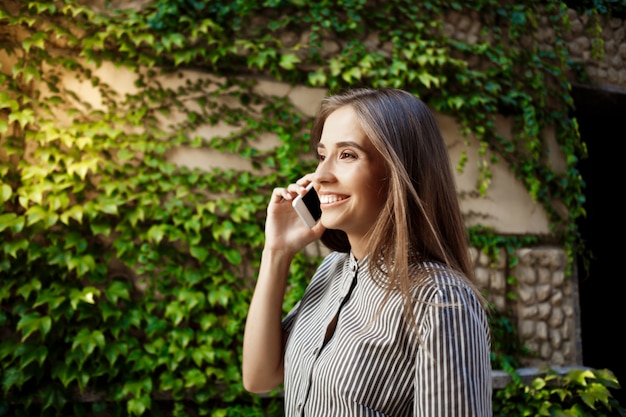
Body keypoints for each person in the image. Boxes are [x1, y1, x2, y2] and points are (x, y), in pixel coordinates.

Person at [242, 87, 492, 416]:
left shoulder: (441, 300)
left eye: (347, 155)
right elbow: (260, 377)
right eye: (321, 155)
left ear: (398, 171)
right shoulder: (332, 270)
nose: (320, 176)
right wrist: (276, 252)